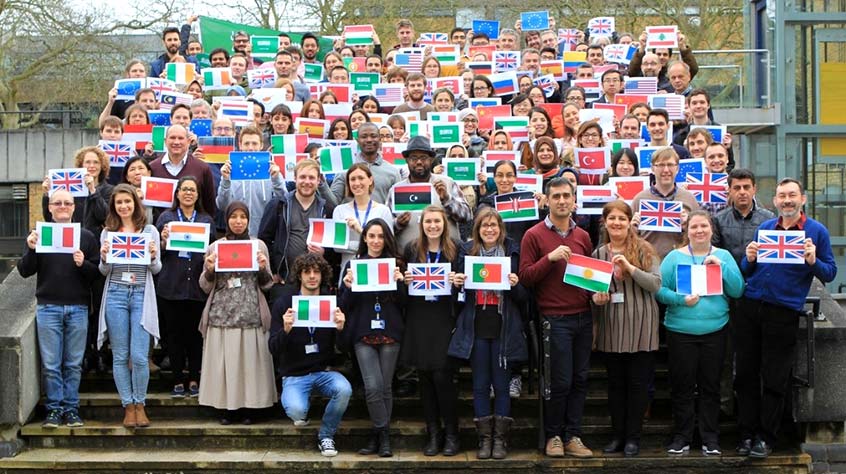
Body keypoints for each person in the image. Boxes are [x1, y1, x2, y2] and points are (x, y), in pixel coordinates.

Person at [735, 178, 837, 458]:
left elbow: (830, 273)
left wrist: (813, 260)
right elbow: (747, 269)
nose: (787, 200)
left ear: (802, 199)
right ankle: (746, 434)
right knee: (744, 374)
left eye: (792, 195)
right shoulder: (766, 227)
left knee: (775, 377)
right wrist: (750, 257)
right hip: (751, 306)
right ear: (775, 201)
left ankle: (765, 438)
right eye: (782, 196)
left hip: (783, 311)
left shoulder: (817, 231)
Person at [656, 210, 745, 456]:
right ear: (687, 231)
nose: (699, 231)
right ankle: (682, 436)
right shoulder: (674, 257)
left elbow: (738, 290)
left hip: (715, 331)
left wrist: (722, 267)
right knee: (682, 386)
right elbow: (658, 291)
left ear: (711, 230)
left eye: (703, 226)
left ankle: (710, 437)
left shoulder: (723, 255)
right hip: (680, 331)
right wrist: (681, 300)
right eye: (694, 227)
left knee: (711, 387)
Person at [519, 177, 594, 458]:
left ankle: (573, 435)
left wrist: (596, 294)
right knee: (558, 381)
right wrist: (549, 259)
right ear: (547, 201)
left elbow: (589, 277)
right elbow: (525, 277)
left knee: (580, 379)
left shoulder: (583, 236)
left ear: (574, 200)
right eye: (557, 196)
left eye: (567, 196)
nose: (562, 201)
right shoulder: (534, 235)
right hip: (554, 318)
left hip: (583, 317)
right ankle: (553, 435)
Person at [448, 207, 528, 460]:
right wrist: (457, 284)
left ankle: (500, 440)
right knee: (480, 384)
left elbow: (525, 298)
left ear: (501, 228)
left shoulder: (512, 252)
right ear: (478, 229)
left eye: (494, 225)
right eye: (485, 226)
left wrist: (516, 285)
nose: (490, 229)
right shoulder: (466, 251)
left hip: (503, 325)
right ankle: (484, 440)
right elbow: (457, 299)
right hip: (477, 324)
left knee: (502, 385)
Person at [18, 189, 100, 428]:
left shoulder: (85, 236)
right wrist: (31, 248)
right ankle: (54, 410)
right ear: (50, 207)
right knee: (51, 364)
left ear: (74, 207)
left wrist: (82, 263)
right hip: (48, 307)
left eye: (67, 202)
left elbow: (96, 273)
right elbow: (25, 270)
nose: (63, 206)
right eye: (58, 203)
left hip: (78, 307)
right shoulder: (39, 234)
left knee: (73, 363)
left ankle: (71, 409)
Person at [591, 200, 661, 457]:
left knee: (638, 385)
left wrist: (630, 268)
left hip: (641, 324)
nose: (617, 223)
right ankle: (617, 435)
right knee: (616, 386)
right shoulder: (598, 254)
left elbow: (655, 284)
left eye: (622, 218)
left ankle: (634, 438)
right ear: (605, 222)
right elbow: (594, 291)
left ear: (629, 221)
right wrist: (596, 299)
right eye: (612, 219)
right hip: (613, 325)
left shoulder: (644, 249)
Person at [198, 201, 277, 424]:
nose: (238, 221)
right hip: (222, 312)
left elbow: (268, 284)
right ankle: (227, 409)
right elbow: (204, 285)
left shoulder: (259, 245)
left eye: (243, 217)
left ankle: (250, 409)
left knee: (250, 366)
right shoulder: (215, 247)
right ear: (227, 219)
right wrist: (210, 269)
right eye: (234, 216)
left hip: (251, 311)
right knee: (226, 365)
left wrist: (262, 269)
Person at [268, 254, 352, 457]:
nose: (312, 276)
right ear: (299, 275)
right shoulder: (284, 303)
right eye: (307, 272)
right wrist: (286, 330)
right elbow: (273, 348)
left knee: (344, 389)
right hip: (294, 375)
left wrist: (341, 328)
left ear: (323, 275)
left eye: (317, 272)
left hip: (324, 372)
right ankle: (302, 410)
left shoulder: (330, 302)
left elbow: (345, 347)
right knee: (297, 411)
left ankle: (326, 435)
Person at [338, 218, 407, 458]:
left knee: (385, 387)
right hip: (363, 334)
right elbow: (343, 307)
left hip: (390, 332)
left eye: (380, 236)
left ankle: (379, 437)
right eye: (371, 236)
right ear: (364, 238)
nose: (376, 241)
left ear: (386, 239)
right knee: (373, 386)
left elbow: (405, 304)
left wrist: (400, 283)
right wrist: (347, 286)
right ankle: (382, 433)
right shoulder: (353, 266)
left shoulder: (396, 265)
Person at [96, 183, 162, 429]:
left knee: (139, 356)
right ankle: (128, 406)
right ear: (114, 207)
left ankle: (141, 403)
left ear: (136, 203)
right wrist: (103, 257)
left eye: (128, 201)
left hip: (141, 294)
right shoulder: (108, 233)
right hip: (115, 293)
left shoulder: (150, 231)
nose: (124, 206)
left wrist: (154, 256)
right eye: (119, 203)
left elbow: (156, 270)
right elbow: (104, 271)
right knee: (121, 355)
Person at [401, 206, 461, 456]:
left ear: (444, 224)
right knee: (425, 377)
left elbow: (464, 289)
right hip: (419, 318)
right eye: (428, 221)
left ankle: (452, 434)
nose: (433, 226)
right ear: (421, 224)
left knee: (442, 377)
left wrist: (458, 283)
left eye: (437, 221)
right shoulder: (412, 249)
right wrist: (404, 282)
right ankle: (433, 433)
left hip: (444, 318)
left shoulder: (455, 249)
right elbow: (404, 294)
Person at [155, 176, 214, 398]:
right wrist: (162, 239)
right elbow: (156, 254)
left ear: (198, 195)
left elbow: (211, 252)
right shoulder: (166, 218)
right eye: (184, 189)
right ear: (177, 193)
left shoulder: (206, 220)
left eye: (193, 190)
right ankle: (178, 378)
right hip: (171, 286)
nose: (188, 193)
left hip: (197, 287)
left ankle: (195, 378)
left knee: (195, 336)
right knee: (174, 336)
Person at [388, 136, 472, 252]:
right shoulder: (396, 190)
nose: (419, 162)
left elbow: (467, 216)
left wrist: (447, 199)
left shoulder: (447, 183)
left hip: (446, 257)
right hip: (407, 258)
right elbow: (385, 228)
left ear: (431, 160)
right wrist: (398, 223)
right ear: (407, 160)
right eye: (413, 158)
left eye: (423, 158)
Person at [258, 160, 334, 286]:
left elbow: (334, 248)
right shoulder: (278, 204)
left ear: (318, 180)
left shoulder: (327, 209)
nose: (307, 182)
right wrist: (273, 270)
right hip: (284, 279)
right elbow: (264, 239)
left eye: (311, 178)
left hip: (315, 281)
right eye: (302, 177)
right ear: (294, 178)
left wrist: (324, 252)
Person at [216, 126, 287, 237]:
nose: (250, 148)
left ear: (261, 145)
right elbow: (222, 205)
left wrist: (276, 178)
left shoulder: (271, 169)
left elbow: (284, 202)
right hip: (236, 235)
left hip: (264, 235)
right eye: (246, 143)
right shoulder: (230, 170)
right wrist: (225, 180)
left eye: (254, 144)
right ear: (240, 145)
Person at [631, 147, 700, 259]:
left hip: (681, 260)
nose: (666, 170)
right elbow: (630, 238)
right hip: (647, 262)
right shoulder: (639, 199)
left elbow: (700, 235)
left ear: (677, 168)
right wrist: (632, 229)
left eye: (670, 165)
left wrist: (688, 226)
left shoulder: (690, 199)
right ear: (652, 168)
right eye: (661, 165)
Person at [332, 163, 395, 284]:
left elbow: (388, 244)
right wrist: (371, 245)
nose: (356, 183)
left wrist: (360, 231)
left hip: (377, 273)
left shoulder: (383, 210)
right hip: (349, 274)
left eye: (361, 178)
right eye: (352, 179)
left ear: (370, 180)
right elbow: (337, 247)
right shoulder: (340, 210)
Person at [150, 125, 217, 219]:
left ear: (188, 142)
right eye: (172, 138)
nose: (176, 142)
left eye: (181, 138)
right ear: (165, 141)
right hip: (160, 228)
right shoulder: (152, 167)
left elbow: (209, 205)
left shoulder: (202, 168)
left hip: (193, 229)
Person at [712, 168, 775, 266]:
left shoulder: (768, 219)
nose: (742, 192)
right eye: (737, 188)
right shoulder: (718, 220)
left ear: (754, 189)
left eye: (746, 187)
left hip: (757, 277)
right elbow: (714, 253)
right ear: (729, 190)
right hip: (728, 277)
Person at [329, 123, 404, 204]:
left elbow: (399, 204)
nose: (369, 140)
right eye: (364, 137)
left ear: (379, 139)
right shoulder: (345, 168)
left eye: (373, 136)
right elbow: (333, 203)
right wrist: (322, 183)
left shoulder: (392, 172)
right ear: (357, 140)